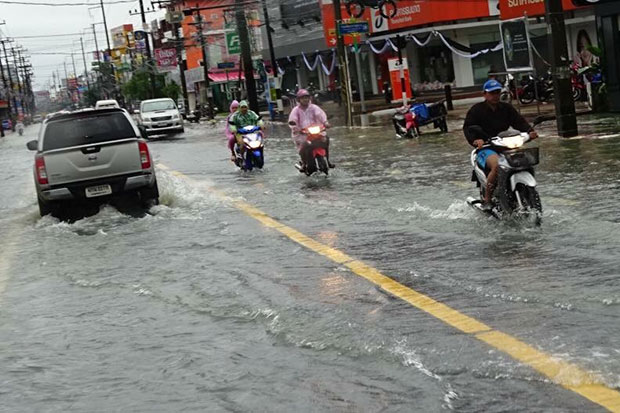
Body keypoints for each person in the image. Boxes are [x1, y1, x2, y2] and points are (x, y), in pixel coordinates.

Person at [463, 79, 538, 209]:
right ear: (485, 94)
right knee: (497, 165)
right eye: (492, 93)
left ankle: (524, 192)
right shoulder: (476, 110)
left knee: (525, 161)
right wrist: (476, 140)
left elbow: (518, 121)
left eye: (497, 92)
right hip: (486, 148)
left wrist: (529, 131)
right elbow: (468, 127)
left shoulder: (506, 108)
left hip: (505, 145)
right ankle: (487, 199)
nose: (495, 95)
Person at [288, 88, 334, 170]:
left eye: (306, 97)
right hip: (302, 134)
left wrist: (325, 122)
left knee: (326, 140)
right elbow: (292, 120)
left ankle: (328, 160)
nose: (305, 99)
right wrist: (296, 128)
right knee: (303, 145)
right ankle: (304, 163)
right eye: (303, 98)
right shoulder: (296, 110)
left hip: (316, 132)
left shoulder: (314, 107)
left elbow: (321, 115)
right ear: (299, 100)